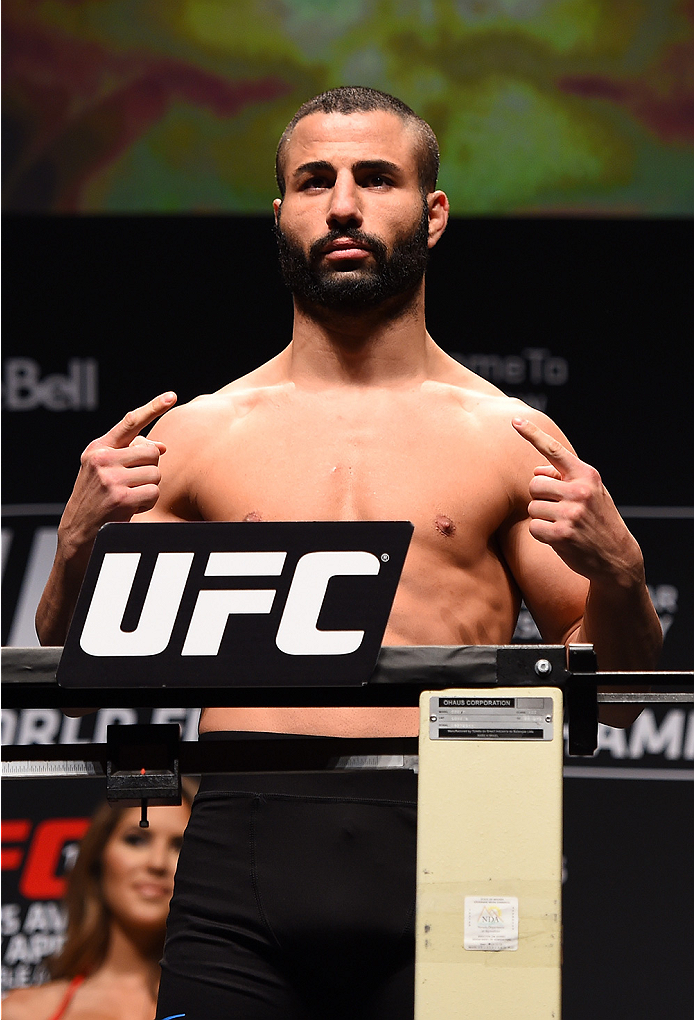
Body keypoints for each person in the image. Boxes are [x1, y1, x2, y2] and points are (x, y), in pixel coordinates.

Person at [36, 87, 662, 1018]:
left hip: (470, 822)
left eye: (376, 178)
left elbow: (619, 695)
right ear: (279, 212)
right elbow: (67, 657)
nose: (343, 205)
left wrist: (622, 578)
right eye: (313, 180)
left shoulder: (509, 437)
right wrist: (74, 545)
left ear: (432, 214)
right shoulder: (200, 437)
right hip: (245, 839)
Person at [1, 792, 193, 1020]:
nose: (157, 863)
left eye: (181, 846)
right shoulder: (23, 1013)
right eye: (136, 840)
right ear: (98, 859)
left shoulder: (226, 1007)